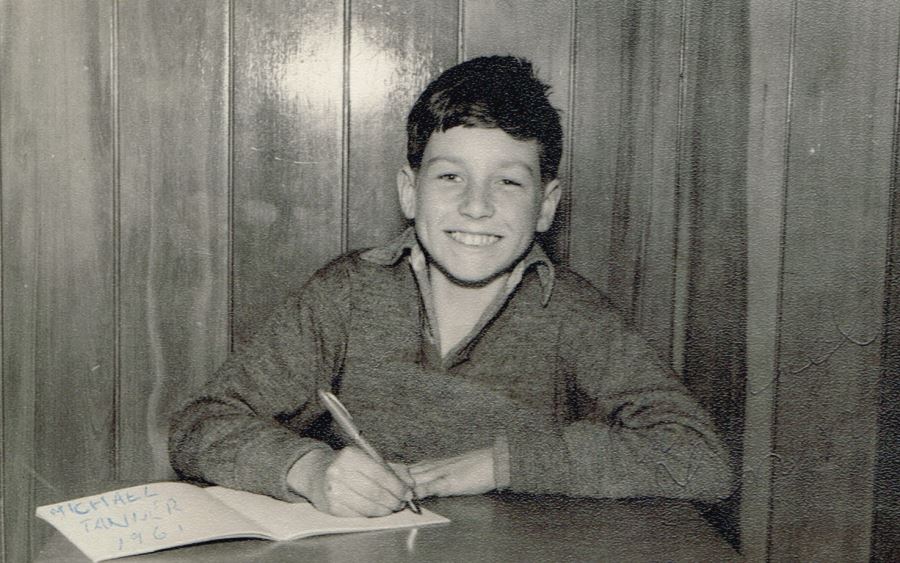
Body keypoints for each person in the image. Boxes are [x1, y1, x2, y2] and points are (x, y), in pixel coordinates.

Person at [169, 55, 733, 518]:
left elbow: (700, 459)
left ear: (546, 205)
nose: (476, 206)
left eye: (508, 182)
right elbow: (202, 423)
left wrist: (499, 465)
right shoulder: (347, 293)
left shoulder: (574, 313)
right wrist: (307, 470)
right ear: (409, 192)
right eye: (450, 176)